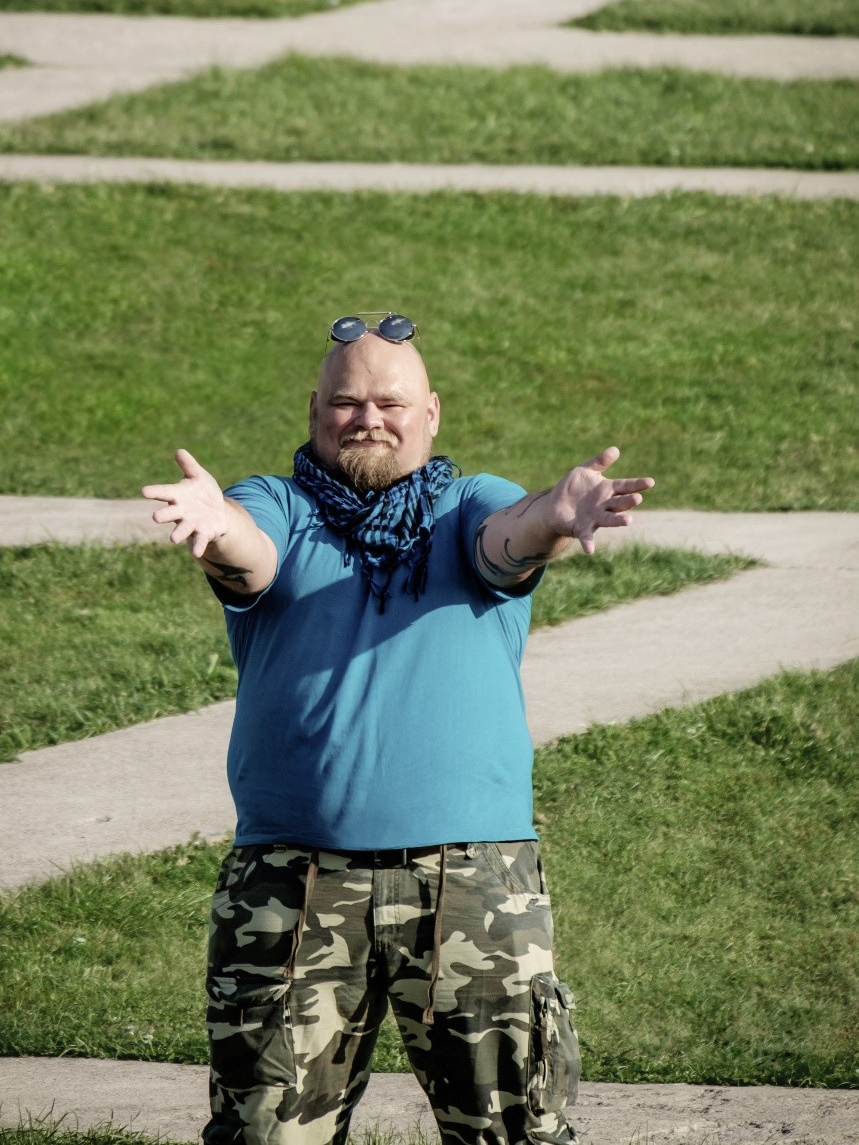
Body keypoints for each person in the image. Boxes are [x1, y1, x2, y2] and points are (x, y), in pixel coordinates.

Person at [142, 313, 654, 1145]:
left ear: (431, 413)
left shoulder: (468, 503)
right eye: (348, 402)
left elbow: (507, 541)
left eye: (391, 402)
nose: (368, 418)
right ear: (315, 410)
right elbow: (248, 552)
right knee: (266, 1132)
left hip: (473, 880)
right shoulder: (278, 504)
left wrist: (555, 514)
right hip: (292, 882)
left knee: (509, 1132)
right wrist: (213, 525)